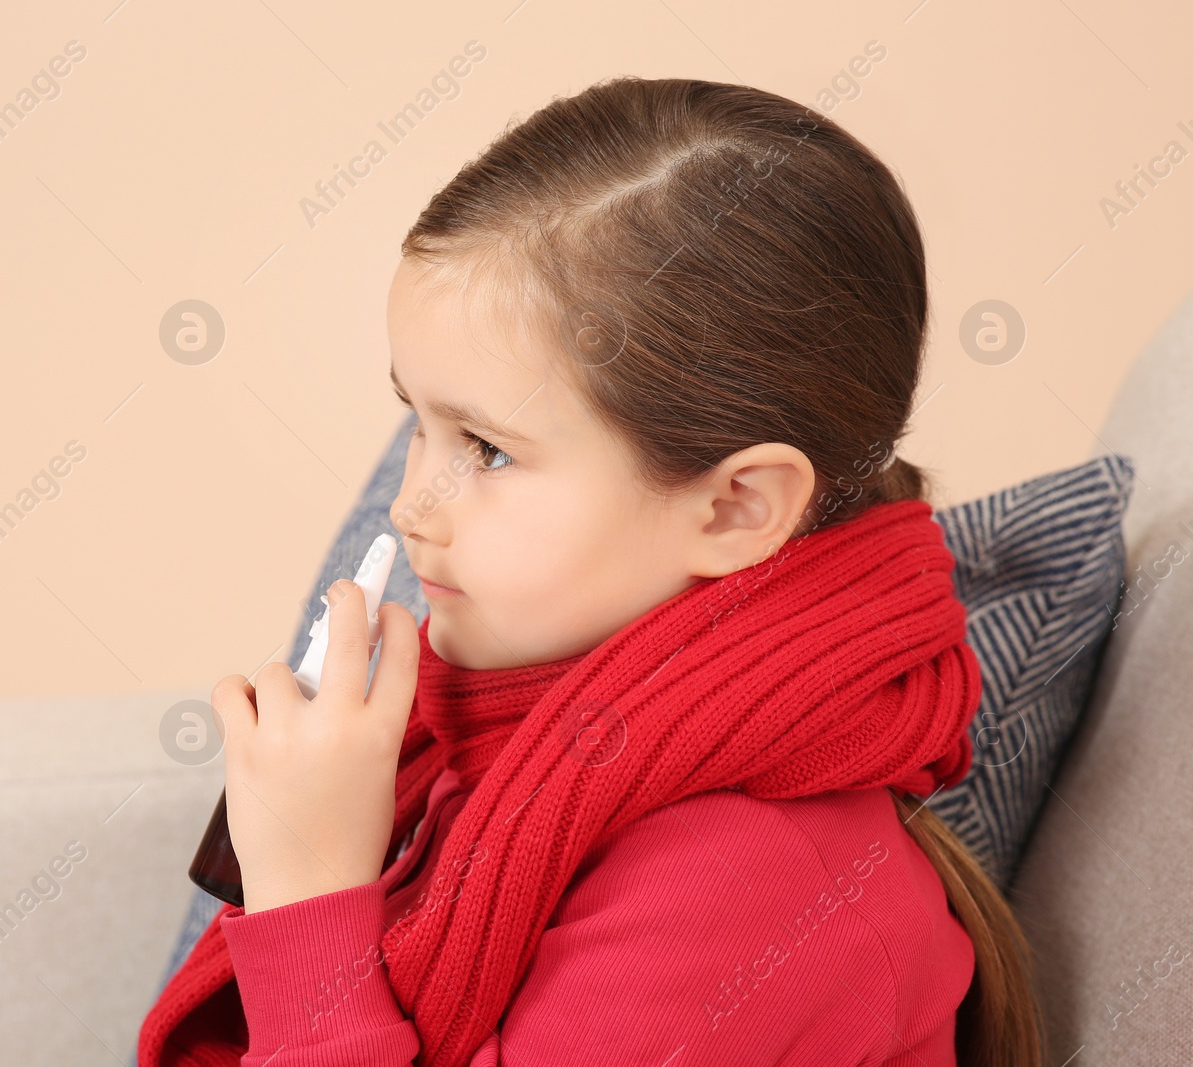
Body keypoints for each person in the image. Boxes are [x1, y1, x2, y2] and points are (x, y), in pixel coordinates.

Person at [138, 76, 1046, 1066]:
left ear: (736, 506)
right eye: (418, 422)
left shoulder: (745, 897)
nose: (408, 507)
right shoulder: (516, 751)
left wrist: (312, 901)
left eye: (484, 449)